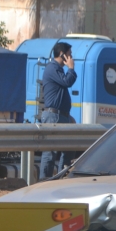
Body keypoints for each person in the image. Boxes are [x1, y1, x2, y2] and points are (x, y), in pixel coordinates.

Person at [39, 42, 77, 180]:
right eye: (69, 54)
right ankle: (43, 182)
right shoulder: (52, 68)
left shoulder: (58, 70)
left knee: (69, 149)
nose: (71, 57)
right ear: (62, 54)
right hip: (53, 116)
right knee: (50, 153)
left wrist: (68, 116)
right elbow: (67, 82)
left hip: (62, 116)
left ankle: (62, 178)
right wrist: (71, 68)